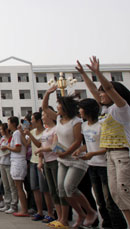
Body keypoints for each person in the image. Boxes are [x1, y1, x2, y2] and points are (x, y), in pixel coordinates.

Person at [77, 57, 130, 225]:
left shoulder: (122, 109)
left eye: (104, 92)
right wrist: (84, 74)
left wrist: (97, 72)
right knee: (116, 196)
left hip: (123, 154)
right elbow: (94, 90)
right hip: (110, 155)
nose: (100, 94)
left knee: (125, 193)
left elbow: (108, 87)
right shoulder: (106, 110)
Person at [42, 85, 97, 228]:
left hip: (76, 159)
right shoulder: (59, 118)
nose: (57, 107)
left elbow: (78, 141)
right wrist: (48, 93)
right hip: (62, 159)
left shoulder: (76, 122)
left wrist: (66, 152)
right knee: (61, 189)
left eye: (59, 104)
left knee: (69, 187)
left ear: (65, 107)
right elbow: (45, 108)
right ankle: (81, 213)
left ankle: (90, 212)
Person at [74, 98, 127, 229]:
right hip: (92, 165)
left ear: (88, 109)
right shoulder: (84, 126)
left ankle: (117, 224)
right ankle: (105, 223)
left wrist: (93, 154)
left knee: (110, 199)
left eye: (81, 108)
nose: (79, 111)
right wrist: (79, 150)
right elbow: (87, 144)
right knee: (99, 200)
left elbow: (107, 146)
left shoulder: (102, 124)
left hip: (104, 164)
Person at [24, 112, 55, 222]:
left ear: (38, 121)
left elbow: (38, 145)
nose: (30, 121)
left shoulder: (44, 132)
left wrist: (30, 134)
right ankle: (39, 212)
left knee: (45, 189)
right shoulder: (31, 131)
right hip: (32, 161)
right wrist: (21, 132)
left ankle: (50, 213)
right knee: (35, 188)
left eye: (32, 119)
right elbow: (26, 144)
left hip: (42, 161)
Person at [3, 116, 30, 217]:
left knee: (19, 187)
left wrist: (7, 147)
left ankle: (24, 210)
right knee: (18, 186)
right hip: (16, 161)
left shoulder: (16, 133)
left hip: (18, 161)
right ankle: (24, 209)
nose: (8, 124)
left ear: (13, 123)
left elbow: (18, 149)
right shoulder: (17, 133)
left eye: (9, 122)